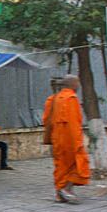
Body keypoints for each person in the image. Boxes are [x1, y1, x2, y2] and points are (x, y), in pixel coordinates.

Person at [44, 75, 90, 204]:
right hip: (70, 139)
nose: (79, 85)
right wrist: (78, 143)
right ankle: (67, 189)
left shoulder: (53, 99)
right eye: (78, 83)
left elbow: (46, 120)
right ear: (73, 84)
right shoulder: (71, 98)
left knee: (61, 166)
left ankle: (60, 194)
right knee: (79, 164)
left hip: (57, 139)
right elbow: (73, 123)